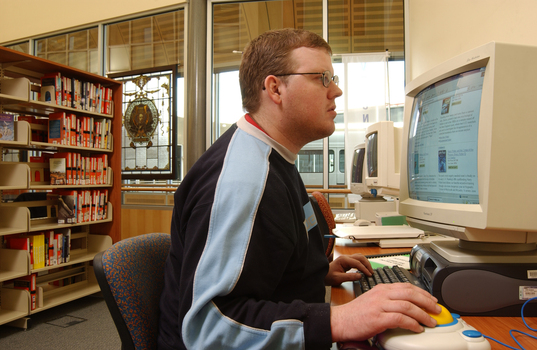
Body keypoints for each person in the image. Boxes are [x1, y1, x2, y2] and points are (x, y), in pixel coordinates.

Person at [158, 28, 440, 350]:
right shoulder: (244, 180)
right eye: (322, 77)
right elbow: (209, 327)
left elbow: (272, 254)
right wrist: (340, 319)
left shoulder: (276, 157)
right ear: (275, 88)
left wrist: (317, 274)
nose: (337, 90)